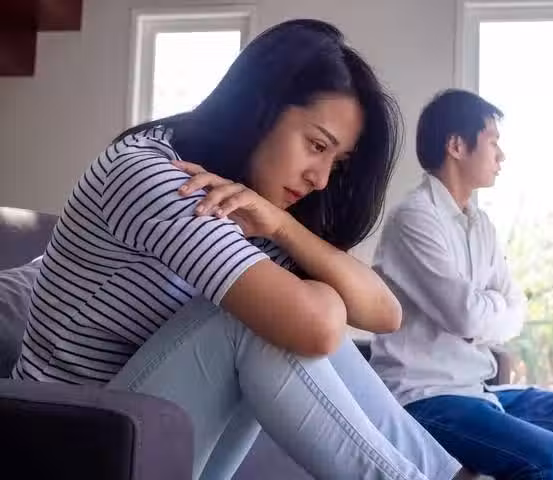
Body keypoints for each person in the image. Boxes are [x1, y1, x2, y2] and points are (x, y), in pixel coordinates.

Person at [10, 20, 470, 480]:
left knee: (280, 314)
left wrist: (284, 228)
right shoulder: (154, 177)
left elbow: (386, 314)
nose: (320, 179)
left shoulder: (251, 208)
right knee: (252, 322)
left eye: (337, 163)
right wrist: (312, 292)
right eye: (316, 145)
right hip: (64, 451)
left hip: (139, 442)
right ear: (260, 108)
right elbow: (316, 327)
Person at [369, 88, 553, 479]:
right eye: (493, 142)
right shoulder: (414, 218)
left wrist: (485, 311)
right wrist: (487, 310)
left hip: (478, 391)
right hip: (425, 397)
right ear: (457, 145)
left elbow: (514, 310)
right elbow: (466, 317)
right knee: (552, 458)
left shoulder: (481, 225)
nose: (501, 155)